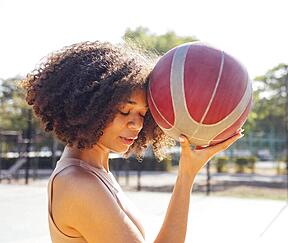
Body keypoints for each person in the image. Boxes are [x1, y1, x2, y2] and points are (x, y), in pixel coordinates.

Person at [21, 41, 243, 243]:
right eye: (125, 111)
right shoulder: (78, 182)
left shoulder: (94, 170)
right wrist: (186, 176)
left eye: (143, 114)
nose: (136, 124)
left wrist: (188, 172)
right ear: (90, 107)